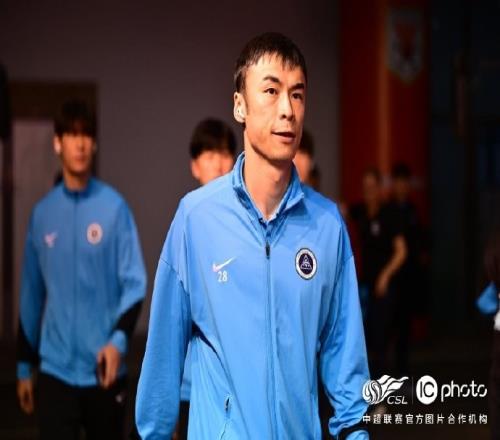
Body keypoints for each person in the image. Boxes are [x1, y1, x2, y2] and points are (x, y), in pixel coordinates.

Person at [136, 32, 369, 439]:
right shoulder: (196, 219)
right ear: (239, 105)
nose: (287, 110)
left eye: (297, 95)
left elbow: (345, 362)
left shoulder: (327, 226)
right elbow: (163, 358)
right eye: (271, 91)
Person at [16, 99, 147, 439]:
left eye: (87, 135)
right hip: (55, 371)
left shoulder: (114, 209)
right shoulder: (42, 214)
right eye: (72, 135)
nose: (80, 144)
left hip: (104, 369)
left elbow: (135, 284)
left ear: (95, 143)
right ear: (57, 143)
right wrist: (23, 365)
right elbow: (31, 295)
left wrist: (117, 342)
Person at [177, 118, 237, 439]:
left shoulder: (249, 229)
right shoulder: (184, 226)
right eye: (209, 154)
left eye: (225, 154)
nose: (218, 163)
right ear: (194, 166)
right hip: (191, 387)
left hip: (239, 388)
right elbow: (172, 321)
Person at [349, 169, 407, 379]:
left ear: (380, 188)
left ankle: (383, 385)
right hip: (362, 286)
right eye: (366, 188)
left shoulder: (389, 214)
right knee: (363, 338)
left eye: (373, 187)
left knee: (381, 337)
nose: (369, 192)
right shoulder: (359, 212)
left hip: (384, 287)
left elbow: (401, 251)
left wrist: (385, 275)